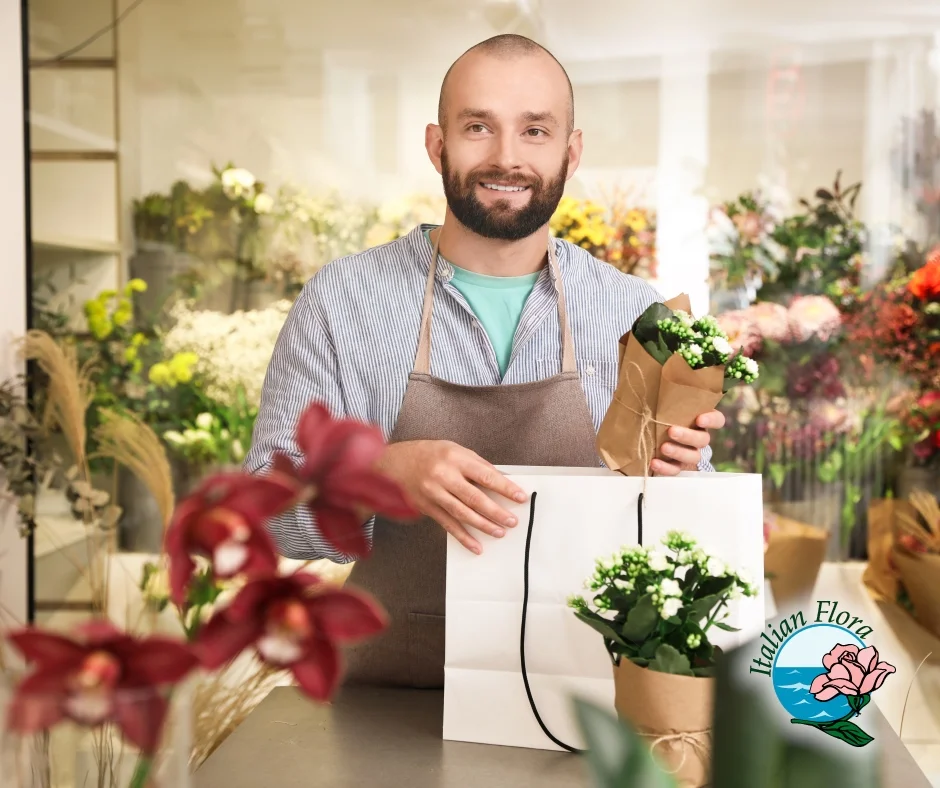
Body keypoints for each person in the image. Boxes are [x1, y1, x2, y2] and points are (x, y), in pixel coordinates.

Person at [245, 34, 726, 688]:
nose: (507, 157)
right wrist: (375, 475)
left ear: (571, 151)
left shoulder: (634, 314)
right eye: (478, 127)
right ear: (436, 144)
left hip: (578, 701)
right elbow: (267, 513)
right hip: (391, 704)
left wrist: (680, 476)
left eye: (534, 130)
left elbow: (689, 533)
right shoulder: (341, 301)